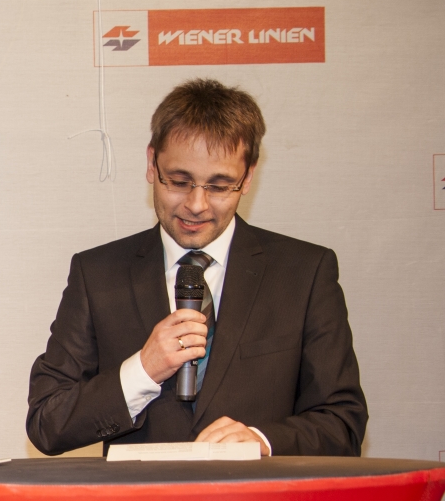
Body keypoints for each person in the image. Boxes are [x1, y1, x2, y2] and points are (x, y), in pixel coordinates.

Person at [27, 78, 367, 456]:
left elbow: (344, 421)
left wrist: (264, 441)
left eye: (220, 186)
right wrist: (142, 370)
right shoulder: (98, 274)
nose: (197, 204)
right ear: (151, 163)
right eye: (179, 181)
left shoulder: (304, 273)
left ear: (248, 177)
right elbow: (47, 422)